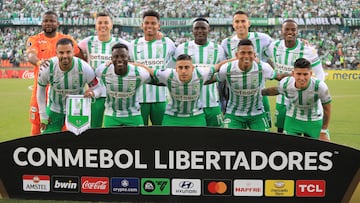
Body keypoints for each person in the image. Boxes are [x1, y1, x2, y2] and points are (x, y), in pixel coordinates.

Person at [26, 11, 83, 135]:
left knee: (66, 129)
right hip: (41, 91)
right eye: (46, 21)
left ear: (58, 23)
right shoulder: (35, 39)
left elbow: (80, 56)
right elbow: (31, 55)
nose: (48, 23)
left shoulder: (67, 40)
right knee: (37, 126)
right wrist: (38, 62)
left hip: (63, 92)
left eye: (51, 21)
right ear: (41, 23)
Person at [264, 19, 325, 133]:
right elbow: (262, 56)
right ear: (281, 31)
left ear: (297, 32)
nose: (290, 32)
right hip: (282, 97)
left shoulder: (308, 50)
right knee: (281, 132)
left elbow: (320, 73)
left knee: (305, 134)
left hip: (302, 99)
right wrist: (272, 71)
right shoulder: (274, 46)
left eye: (293, 29)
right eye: (287, 29)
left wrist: (314, 90)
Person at [217, 39, 287, 131]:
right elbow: (214, 79)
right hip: (233, 114)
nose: (246, 56)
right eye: (243, 53)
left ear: (254, 55)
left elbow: (279, 76)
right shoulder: (227, 69)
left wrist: (296, 75)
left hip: (257, 114)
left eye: (250, 53)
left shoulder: (263, 67)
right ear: (237, 55)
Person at [37, 38, 101, 134]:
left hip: (77, 110)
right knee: (47, 141)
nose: (65, 56)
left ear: (73, 52)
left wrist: (93, 93)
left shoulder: (84, 67)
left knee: (77, 143)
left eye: (68, 52)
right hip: (55, 109)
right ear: (56, 53)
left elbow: (98, 88)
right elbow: (41, 90)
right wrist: (43, 114)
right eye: (61, 53)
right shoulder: (47, 67)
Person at [221, 10, 273, 127]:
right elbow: (222, 67)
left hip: (259, 94)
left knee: (264, 133)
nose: (240, 24)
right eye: (237, 21)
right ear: (233, 24)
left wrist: (302, 43)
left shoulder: (263, 38)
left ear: (249, 23)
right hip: (235, 95)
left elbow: (278, 50)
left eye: (243, 21)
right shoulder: (226, 43)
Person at [78, 12, 130, 129]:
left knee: (115, 129)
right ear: (95, 25)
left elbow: (134, 60)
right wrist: (85, 65)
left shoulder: (122, 44)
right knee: (93, 128)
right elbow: (74, 53)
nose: (103, 25)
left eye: (106, 23)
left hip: (116, 94)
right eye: (100, 23)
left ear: (111, 25)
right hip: (95, 94)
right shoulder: (87, 42)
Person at [140, 54, 223, 126]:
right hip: (172, 117)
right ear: (176, 68)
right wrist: (128, 64)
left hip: (196, 116)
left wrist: (236, 59)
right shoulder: (168, 74)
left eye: (187, 67)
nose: (183, 71)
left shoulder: (201, 73)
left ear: (192, 68)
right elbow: (148, 70)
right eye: (180, 67)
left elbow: (219, 66)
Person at [172, 17, 226, 127]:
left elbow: (222, 75)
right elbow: (174, 73)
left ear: (209, 30)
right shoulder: (181, 48)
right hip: (189, 105)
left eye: (203, 28)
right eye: (197, 28)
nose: (200, 31)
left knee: (216, 137)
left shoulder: (218, 50)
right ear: (192, 30)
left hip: (212, 103)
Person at [261, 58, 331, 141]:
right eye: (299, 74)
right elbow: (276, 90)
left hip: (314, 120)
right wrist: (258, 93)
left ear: (311, 74)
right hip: (293, 119)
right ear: (293, 74)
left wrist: (323, 131)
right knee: (287, 148)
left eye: (305, 74)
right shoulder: (286, 83)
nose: (302, 78)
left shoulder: (320, 87)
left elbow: (327, 109)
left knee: (317, 150)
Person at [129, 9, 176, 126]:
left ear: (159, 25)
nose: (150, 26)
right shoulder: (133, 45)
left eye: (153, 23)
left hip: (161, 97)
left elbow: (176, 62)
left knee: (161, 134)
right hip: (139, 98)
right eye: (147, 23)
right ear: (142, 25)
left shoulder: (168, 43)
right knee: (139, 135)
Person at [95, 43, 152, 127]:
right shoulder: (102, 70)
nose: (119, 59)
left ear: (128, 58)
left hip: (133, 114)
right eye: (116, 56)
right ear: (111, 59)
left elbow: (153, 78)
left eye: (123, 56)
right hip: (111, 115)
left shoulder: (139, 73)